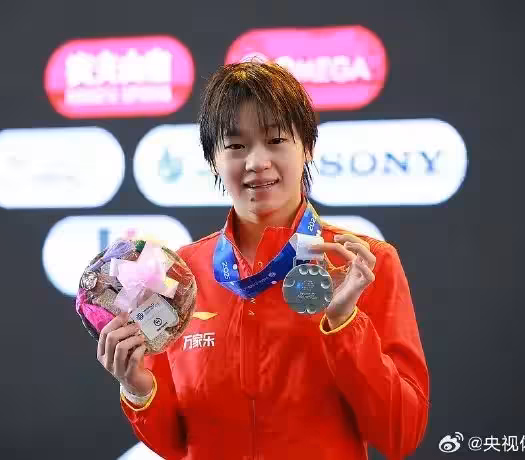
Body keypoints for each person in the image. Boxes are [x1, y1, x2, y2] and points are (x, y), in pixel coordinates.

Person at [97, 62, 430, 460]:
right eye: (236, 146)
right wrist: (138, 388)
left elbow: (401, 433)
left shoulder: (363, 266)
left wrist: (345, 323)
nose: (257, 161)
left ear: (307, 147)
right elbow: (174, 442)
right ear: (213, 160)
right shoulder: (179, 276)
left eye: (275, 140)